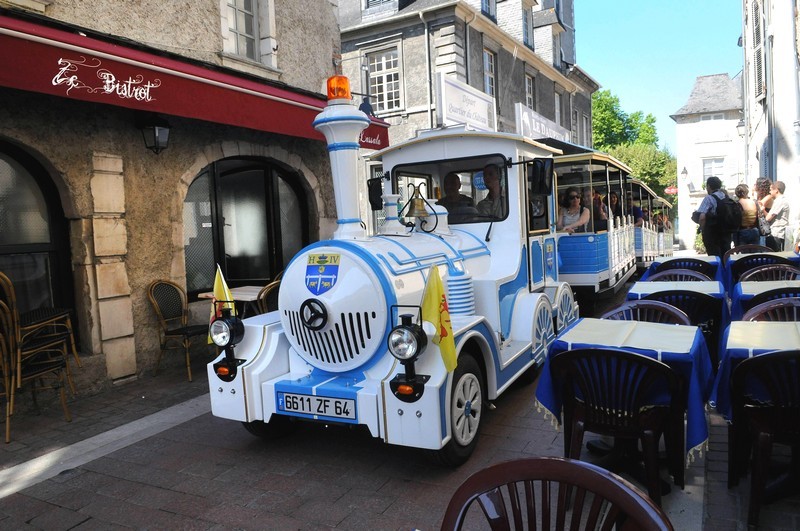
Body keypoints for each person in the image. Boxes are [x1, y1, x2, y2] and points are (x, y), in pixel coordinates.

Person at [694, 176, 732, 257]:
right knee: (726, 256)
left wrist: (702, 229)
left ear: (709, 186)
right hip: (726, 233)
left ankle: (717, 269)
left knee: (715, 256)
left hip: (713, 233)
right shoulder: (726, 197)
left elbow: (702, 217)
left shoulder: (709, 198)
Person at [763, 180, 790, 251]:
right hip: (777, 233)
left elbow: (768, 218)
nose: (770, 192)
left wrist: (762, 210)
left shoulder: (780, 201)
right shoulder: (780, 201)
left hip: (777, 233)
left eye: (771, 190)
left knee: (775, 258)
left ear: (776, 191)